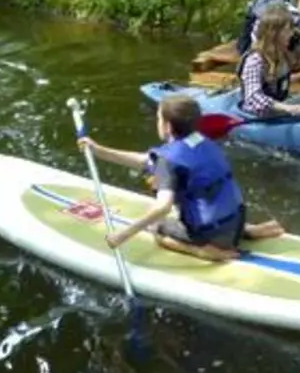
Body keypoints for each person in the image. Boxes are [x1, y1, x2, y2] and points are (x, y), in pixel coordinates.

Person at [80, 95, 286, 263]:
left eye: (159, 118)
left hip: (211, 235)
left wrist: (123, 235)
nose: (157, 123)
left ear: (168, 126)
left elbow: (163, 207)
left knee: (157, 228)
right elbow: (146, 161)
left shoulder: (168, 160)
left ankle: (205, 251)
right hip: (237, 220)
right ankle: (249, 231)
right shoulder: (202, 141)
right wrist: (99, 151)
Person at [237, 6, 300, 118]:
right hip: (261, 113)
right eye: (288, 29)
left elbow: (278, 82)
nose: (292, 33)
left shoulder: (281, 53)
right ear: (275, 34)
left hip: (278, 103)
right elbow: (253, 97)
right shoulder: (255, 60)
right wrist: (288, 108)